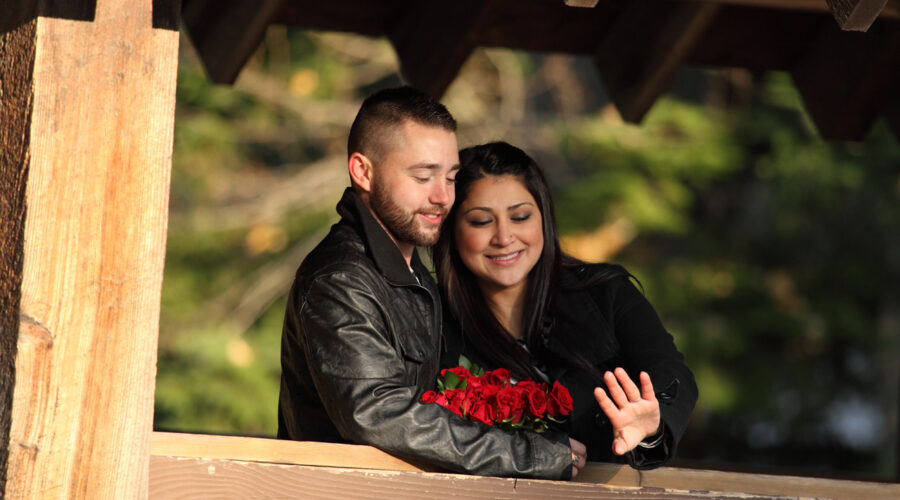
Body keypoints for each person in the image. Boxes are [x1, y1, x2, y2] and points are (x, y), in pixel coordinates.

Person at [277, 87, 585, 479]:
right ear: (363, 172)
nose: (443, 197)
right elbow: (379, 413)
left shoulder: (416, 274)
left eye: (451, 177)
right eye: (423, 176)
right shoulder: (340, 280)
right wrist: (530, 455)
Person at [434, 141, 698, 469]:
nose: (504, 237)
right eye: (480, 221)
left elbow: (671, 373)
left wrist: (651, 427)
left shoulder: (604, 293)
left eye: (520, 217)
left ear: (543, 219)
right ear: (452, 231)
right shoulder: (432, 321)